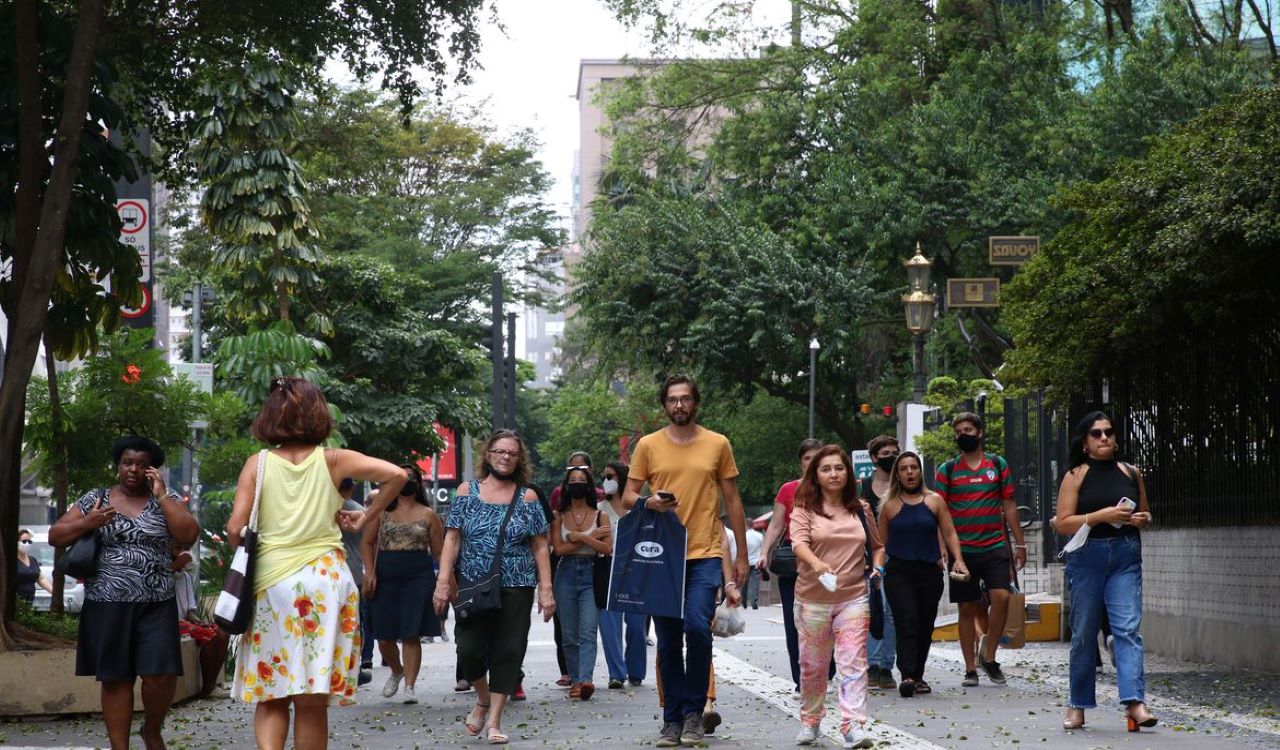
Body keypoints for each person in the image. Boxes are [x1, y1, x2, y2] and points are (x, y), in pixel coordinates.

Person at [226, 377, 407, 750]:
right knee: (310, 700)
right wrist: (367, 514)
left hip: (273, 585)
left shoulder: (258, 464)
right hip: (326, 583)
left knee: (272, 693)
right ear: (318, 414)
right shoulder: (334, 459)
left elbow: (234, 529)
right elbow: (398, 475)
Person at [49, 435, 199, 750]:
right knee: (116, 678)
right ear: (117, 465)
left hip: (156, 603)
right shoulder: (96, 499)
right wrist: (88, 523)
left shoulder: (166, 498)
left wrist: (162, 495)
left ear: (152, 470)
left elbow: (188, 534)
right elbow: (56, 535)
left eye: (142, 464)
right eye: (127, 462)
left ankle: (152, 730)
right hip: (107, 603)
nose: (133, 469)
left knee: (161, 675)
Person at [623, 374, 749, 748]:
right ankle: (672, 719)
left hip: (705, 553)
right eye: (672, 400)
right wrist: (648, 502)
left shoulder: (717, 443)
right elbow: (628, 496)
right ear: (665, 404)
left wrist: (742, 555)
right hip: (663, 557)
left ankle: (695, 712)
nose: (679, 405)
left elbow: (733, 501)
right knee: (666, 642)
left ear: (696, 402)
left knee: (696, 628)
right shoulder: (648, 445)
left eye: (685, 399)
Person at [434, 430, 555, 746]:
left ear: (519, 460)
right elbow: (452, 537)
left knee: (509, 650)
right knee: (468, 650)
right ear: (488, 455)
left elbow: (540, 545)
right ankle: (483, 699)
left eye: (512, 453)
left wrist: (546, 589)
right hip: (473, 583)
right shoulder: (467, 492)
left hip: (517, 584)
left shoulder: (527, 497)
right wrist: (443, 580)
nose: (506, 457)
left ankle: (495, 721)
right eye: (500, 451)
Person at [1054, 411, 1157, 732]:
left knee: (1127, 629)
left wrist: (1141, 518)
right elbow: (1062, 523)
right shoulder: (1076, 475)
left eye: (1108, 432)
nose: (1104, 438)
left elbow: (1145, 512)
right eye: (1096, 433)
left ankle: (1135, 702)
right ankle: (1078, 704)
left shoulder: (1130, 472)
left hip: (1125, 554)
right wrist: (1101, 515)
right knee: (1084, 632)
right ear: (1085, 443)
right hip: (1087, 556)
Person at [789, 445, 883, 749]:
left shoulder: (861, 508)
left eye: (839, 468)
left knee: (853, 663)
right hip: (812, 599)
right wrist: (817, 564)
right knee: (814, 667)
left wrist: (878, 568)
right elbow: (798, 544)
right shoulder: (804, 508)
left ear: (848, 473)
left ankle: (853, 725)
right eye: (826, 469)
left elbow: (878, 546)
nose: (833, 474)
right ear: (816, 475)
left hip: (853, 598)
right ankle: (811, 720)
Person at [933, 411, 1027, 687]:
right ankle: (970, 669)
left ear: (980, 433)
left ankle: (989, 654)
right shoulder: (947, 470)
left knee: (1002, 597)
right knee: (967, 607)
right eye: (959, 431)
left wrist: (1020, 544)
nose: (963, 435)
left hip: (995, 545)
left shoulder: (996, 465)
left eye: (968, 430)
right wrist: (942, 547)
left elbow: (1009, 505)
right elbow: (939, 512)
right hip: (961, 552)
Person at [876, 452, 968, 698]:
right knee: (907, 619)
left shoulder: (934, 501)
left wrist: (958, 559)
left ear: (920, 471)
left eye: (914, 467)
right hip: (899, 571)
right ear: (897, 474)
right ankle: (907, 675)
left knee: (925, 624)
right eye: (904, 468)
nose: (909, 472)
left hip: (929, 571)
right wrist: (877, 569)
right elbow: (880, 544)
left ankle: (918, 675)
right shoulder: (889, 505)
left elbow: (950, 533)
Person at [362, 464, 444, 705]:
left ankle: (410, 685)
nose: (407, 481)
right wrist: (370, 572)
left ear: (418, 483)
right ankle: (397, 671)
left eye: (412, 477)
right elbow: (367, 543)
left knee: (411, 633)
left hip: (418, 576)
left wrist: (445, 579)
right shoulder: (381, 512)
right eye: (403, 477)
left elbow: (439, 552)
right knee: (384, 636)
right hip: (385, 574)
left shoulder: (428, 514)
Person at [757, 438, 823, 691]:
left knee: (824, 619)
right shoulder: (788, 490)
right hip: (793, 560)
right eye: (807, 458)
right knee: (794, 620)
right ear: (800, 462)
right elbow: (775, 525)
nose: (812, 463)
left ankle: (825, 670)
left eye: (817, 457)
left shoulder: (834, 487)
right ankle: (802, 679)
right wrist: (764, 552)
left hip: (826, 559)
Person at [550, 465, 611, 701]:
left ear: (589, 486)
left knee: (588, 630)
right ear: (566, 486)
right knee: (568, 634)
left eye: (581, 480)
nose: (577, 484)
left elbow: (607, 548)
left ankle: (586, 680)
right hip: (565, 573)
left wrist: (580, 537)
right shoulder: (558, 515)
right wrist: (589, 537)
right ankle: (575, 681)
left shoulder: (600, 515)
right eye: (573, 480)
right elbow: (559, 549)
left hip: (592, 573)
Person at [598, 461, 648, 688]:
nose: (606, 481)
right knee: (609, 624)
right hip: (607, 568)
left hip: (636, 570)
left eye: (610, 476)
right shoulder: (598, 508)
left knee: (637, 625)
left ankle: (636, 670)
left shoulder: (639, 509)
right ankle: (616, 673)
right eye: (604, 476)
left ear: (622, 478)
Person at [860, 435, 900, 691]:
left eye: (895, 452)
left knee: (891, 612)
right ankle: (874, 665)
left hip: (899, 556)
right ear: (874, 458)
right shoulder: (862, 488)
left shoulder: (903, 485)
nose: (891, 457)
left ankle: (886, 665)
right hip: (870, 557)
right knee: (876, 609)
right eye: (885, 453)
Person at [172, 544, 231, 698]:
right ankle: (208, 687)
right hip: (169, 623)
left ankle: (213, 683)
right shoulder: (163, 575)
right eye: (178, 549)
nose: (184, 553)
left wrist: (200, 621)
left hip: (184, 622)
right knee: (209, 636)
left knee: (222, 632)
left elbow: (190, 611)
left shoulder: (185, 577)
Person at [337, 478, 374, 687]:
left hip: (330, 572)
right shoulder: (360, 511)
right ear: (352, 487)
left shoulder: (326, 508)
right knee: (356, 621)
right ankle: (357, 666)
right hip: (355, 573)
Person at [16, 527, 52, 604]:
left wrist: (53, 592)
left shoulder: (32, 560)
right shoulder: (10, 561)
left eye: (29, 541)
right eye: (24, 541)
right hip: (16, 602)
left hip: (29, 600)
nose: (27, 544)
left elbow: (41, 579)